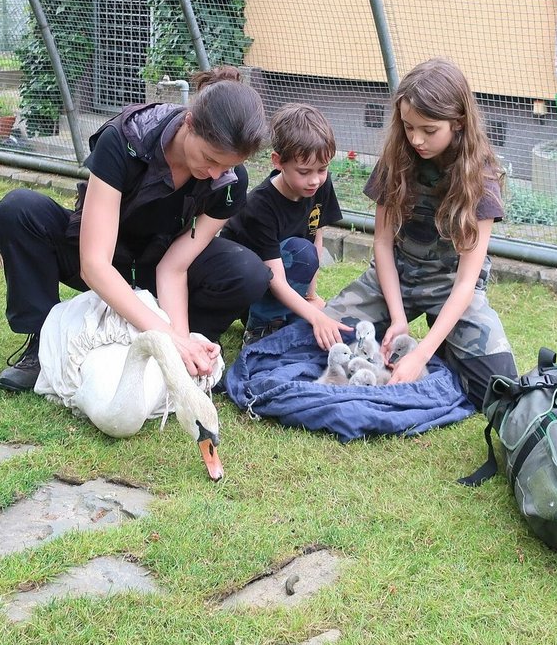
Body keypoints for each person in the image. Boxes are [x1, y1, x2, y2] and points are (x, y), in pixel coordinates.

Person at [0, 67, 272, 392]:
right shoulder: (125, 140)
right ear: (190, 122)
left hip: (158, 267)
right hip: (103, 257)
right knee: (20, 210)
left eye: (227, 165)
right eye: (210, 159)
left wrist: (176, 339)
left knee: (247, 270)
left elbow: (174, 267)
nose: (215, 174)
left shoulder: (229, 182)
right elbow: (94, 264)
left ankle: (191, 346)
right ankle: (43, 345)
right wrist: (167, 336)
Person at [323, 57, 517, 411]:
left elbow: (465, 284)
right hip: (396, 275)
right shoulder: (396, 157)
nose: (416, 139)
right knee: (324, 336)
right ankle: (420, 338)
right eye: (409, 127)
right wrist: (398, 319)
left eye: (429, 130)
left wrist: (421, 352)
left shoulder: (482, 178)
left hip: (450, 286)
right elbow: (381, 244)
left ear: (458, 124)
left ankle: (439, 345)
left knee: (499, 386)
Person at [220, 103, 352, 350]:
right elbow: (275, 279)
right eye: (304, 171)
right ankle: (260, 328)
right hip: (244, 291)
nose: (314, 180)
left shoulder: (320, 186)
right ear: (278, 161)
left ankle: (285, 316)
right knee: (300, 252)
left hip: (280, 277)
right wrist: (316, 317)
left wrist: (311, 298)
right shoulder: (260, 206)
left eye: (322, 169)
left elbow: (316, 239)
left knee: (305, 251)